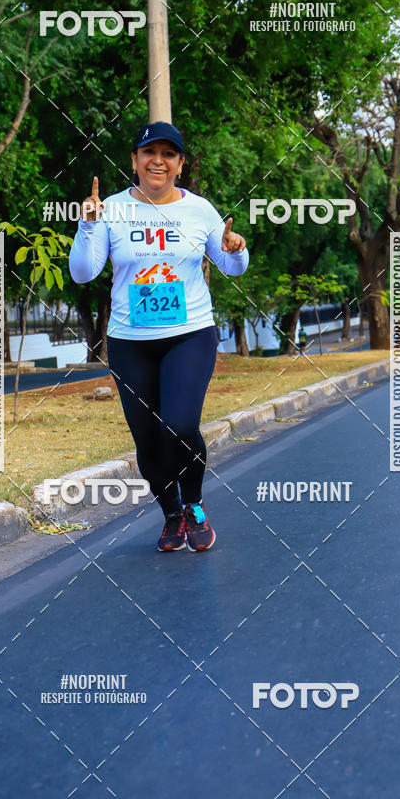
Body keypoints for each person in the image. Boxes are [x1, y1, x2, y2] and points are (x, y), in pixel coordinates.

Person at [68, 121, 249, 552]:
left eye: (169, 154)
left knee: (180, 425)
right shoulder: (110, 208)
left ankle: (195, 504)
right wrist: (89, 225)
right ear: (134, 160)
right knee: (147, 437)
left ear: (180, 165)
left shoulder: (199, 210)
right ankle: (170, 513)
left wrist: (237, 249)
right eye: (149, 153)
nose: (158, 161)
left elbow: (231, 267)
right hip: (130, 342)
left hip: (189, 334)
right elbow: (83, 272)